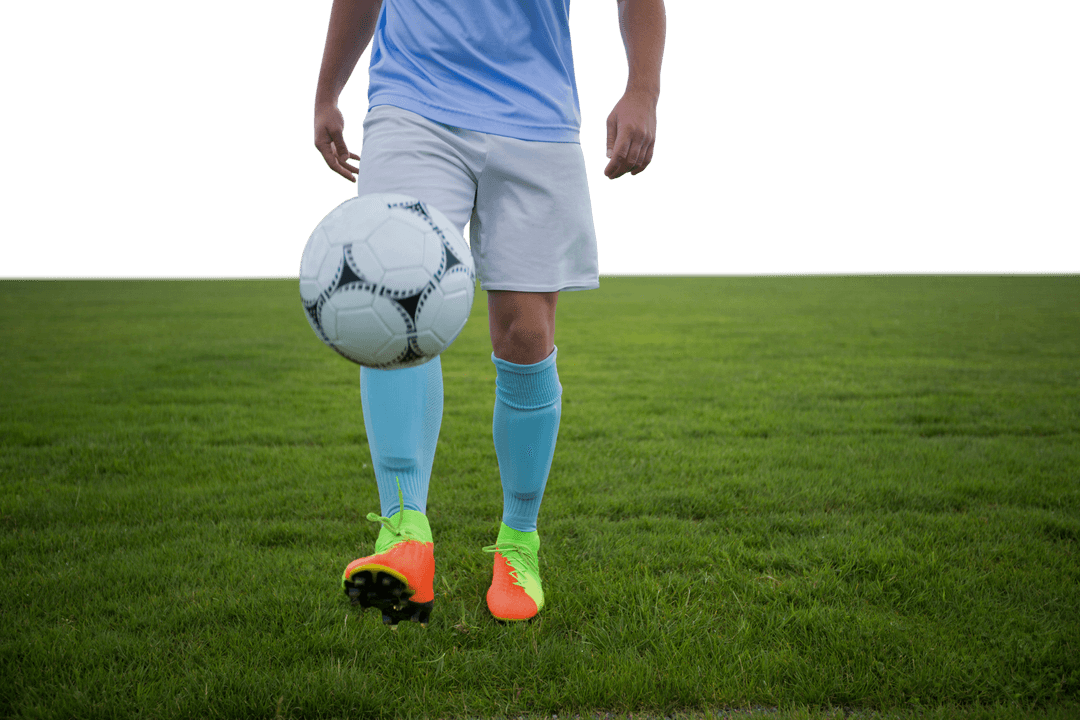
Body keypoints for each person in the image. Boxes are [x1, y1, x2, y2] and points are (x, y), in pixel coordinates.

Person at [313, 0, 666, 626]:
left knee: (526, 333)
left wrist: (642, 90)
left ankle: (518, 544)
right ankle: (403, 535)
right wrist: (327, 93)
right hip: (412, 106)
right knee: (392, 304)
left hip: (535, 115)